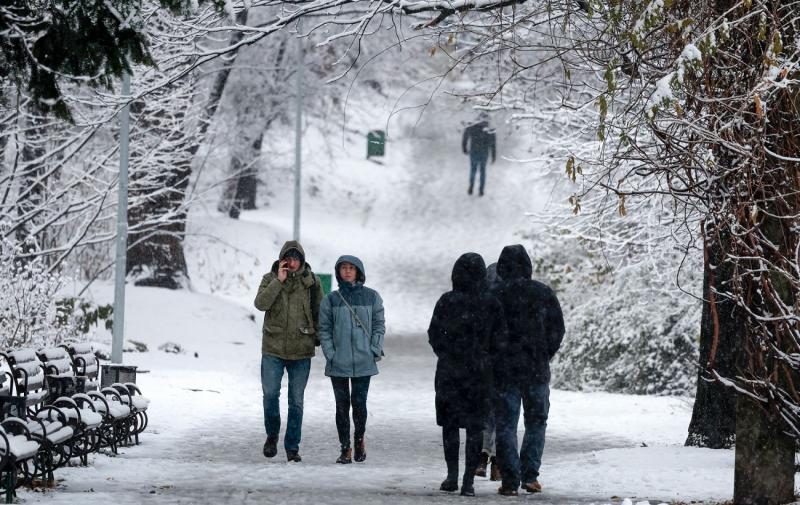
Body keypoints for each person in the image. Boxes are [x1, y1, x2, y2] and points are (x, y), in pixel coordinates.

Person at [428, 253, 507, 497]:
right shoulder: (491, 303)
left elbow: (434, 334)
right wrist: (486, 358)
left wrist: (448, 354)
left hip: (449, 372)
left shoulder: (446, 301)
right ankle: (468, 482)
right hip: (480, 374)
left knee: (450, 426)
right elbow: (500, 339)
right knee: (475, 428)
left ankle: (451, 476)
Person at [491, 245, 565, 496]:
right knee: (537, 423)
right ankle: (530, 475)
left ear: (502, 267)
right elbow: (558, 329)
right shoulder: (543, 293)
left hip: (504, 372)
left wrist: (494, 356)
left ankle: (510, 480)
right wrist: (545, 353)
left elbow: (486, 332)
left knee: (506, 425)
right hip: (536, 370)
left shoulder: (495, 294)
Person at [254, 240, 324, 463]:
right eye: (288, 258)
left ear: (302, 260)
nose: (292, 262)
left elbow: (319, 312)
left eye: (296, 258)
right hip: (273, 348)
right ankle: (272, 436)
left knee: (296, 401)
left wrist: (319, 337)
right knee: (270, 395)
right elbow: (260, 304)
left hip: (301, 350)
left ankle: (292, 446)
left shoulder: (312, 282)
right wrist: (278, 281)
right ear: (282, 259)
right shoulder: (270, 278)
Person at [319, 255, 385, 464]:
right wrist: (331, 353)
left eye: (351, 268)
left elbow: (379, 325)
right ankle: (345, 447)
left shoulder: (372, 297)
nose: (347, 271)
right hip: (339, 362)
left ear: (359, 272)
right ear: (338, 272)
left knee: (359, 404)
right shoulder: (331, 299)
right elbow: (324, 329)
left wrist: (374, 349)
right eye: (343, 268)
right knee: (341, 406)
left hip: (364, 361)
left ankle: (359, 440)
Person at [475, 262, 502, 482]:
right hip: (504, 366)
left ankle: (484, 455)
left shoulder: (482, 302)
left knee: (487, 413)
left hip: (485, 366)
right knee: (502, 415)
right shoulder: (509, 302)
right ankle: (496, 459)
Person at [461, 112, 497, 196]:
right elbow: (493, 144)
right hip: (484, 153)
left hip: (474, 152)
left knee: (473, 170)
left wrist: (464, 148)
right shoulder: (490, 129)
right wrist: (493, 156)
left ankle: (471, 187)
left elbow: (465, 136)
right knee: (482, 171)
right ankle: (481, 190)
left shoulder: (472, 127)